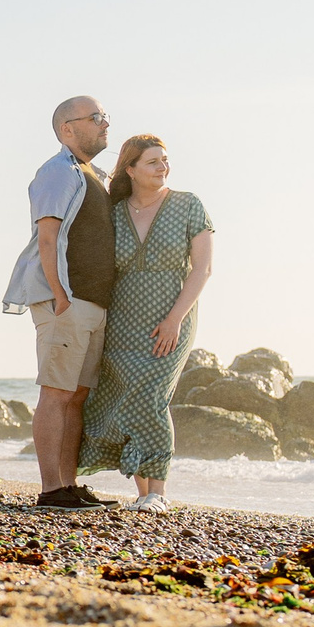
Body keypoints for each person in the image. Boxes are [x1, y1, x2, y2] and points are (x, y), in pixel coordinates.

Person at [78, 134, 215, 511]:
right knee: (125, 397)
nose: (163, 167)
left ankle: (158, 492)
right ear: (131, 169)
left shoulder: (188, 205)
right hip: (122, 320)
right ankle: (143, 494)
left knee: (151, 396)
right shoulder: (114, 212)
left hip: (172, 318)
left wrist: (174, 319)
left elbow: (202, 269)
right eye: (153, 161)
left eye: (165, 160)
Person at [2, 95, 117, 508]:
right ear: (68, 128)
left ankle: (69, 485)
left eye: (105, 116)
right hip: (66, 301)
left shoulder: (94, 174)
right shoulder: (57, 172)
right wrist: (60, 294)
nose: (106, 124)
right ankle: (51, 489)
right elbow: (47, 236)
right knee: (56, 393)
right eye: (96, 118)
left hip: (93, 302)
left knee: (76, 395)